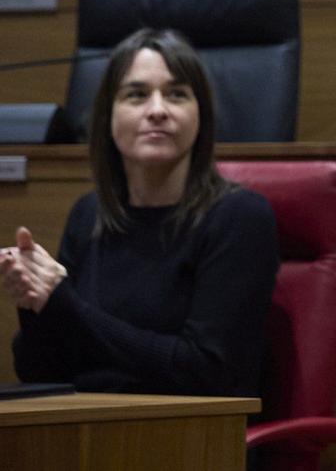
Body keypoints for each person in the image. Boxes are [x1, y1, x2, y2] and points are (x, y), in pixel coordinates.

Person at [5, 29, 279, 396]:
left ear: (201, 117)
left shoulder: (239, 218)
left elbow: (210, 373)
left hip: (194, 441)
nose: (157, 110)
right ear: (108, 117)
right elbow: (41, 373)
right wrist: (36, 305)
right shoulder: (89, 216)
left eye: (177, 94)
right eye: (136, 95)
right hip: (89, 430)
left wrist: (65, 305)